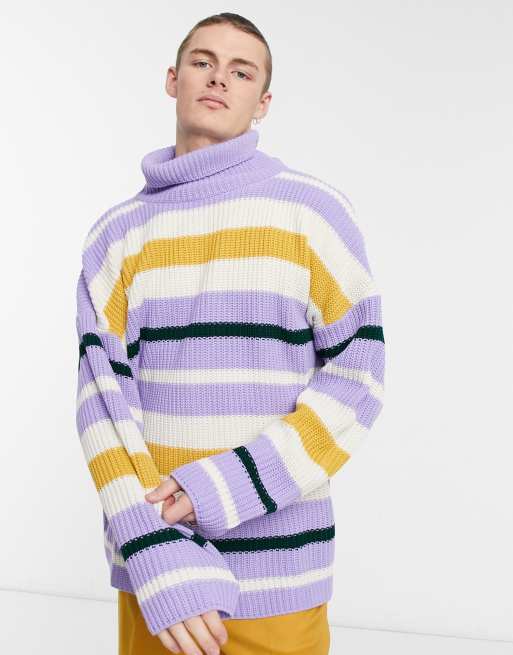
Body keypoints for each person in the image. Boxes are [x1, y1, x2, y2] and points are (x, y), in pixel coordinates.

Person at [75, 11, 385, 655]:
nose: (219, 78)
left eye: (242, 72)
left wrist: (219, 486)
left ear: (263, 101)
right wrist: (153, 546)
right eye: (203, 62)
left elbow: (357, 381)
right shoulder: (115, 235)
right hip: (155, 575)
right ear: (173, 79)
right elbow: (103, 407)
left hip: (279, 576)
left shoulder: (312, 213)